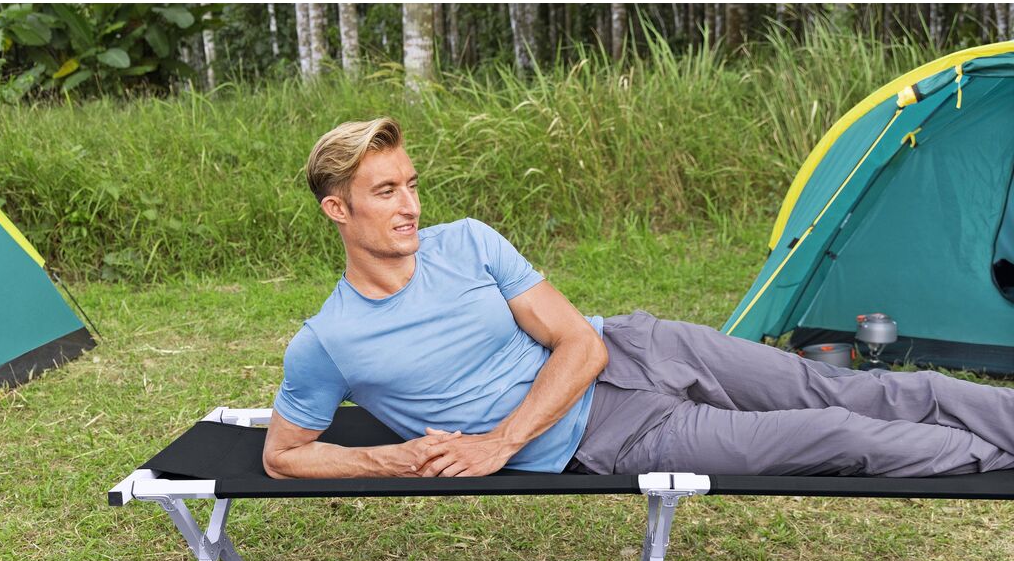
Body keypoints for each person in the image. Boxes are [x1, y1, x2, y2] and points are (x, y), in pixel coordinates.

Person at [263, 117, 1014, 480]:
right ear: (338, 209)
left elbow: (580, 343)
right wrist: (391, 460)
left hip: (637, 348)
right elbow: (283, 456)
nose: (410, 206)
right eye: (386, 192)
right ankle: (994, 457)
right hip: (612, 437)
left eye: (412, 184)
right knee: (834, 434)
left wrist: (501, 442)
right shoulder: (330, 342)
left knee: (842, 388)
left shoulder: (467, 243)